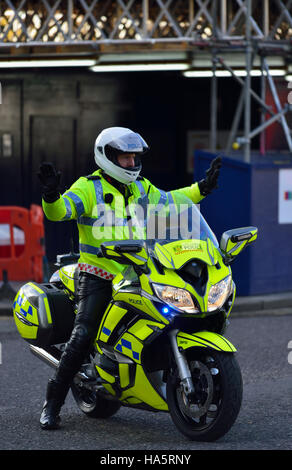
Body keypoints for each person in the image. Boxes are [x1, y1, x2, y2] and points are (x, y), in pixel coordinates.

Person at [37, 126, 222, 430]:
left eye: (134, 158)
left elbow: (170, 201)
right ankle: (52, 404)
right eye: (125, 158)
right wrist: (51, 194)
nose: (132, 164)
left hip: (135, 270)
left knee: (169, 313)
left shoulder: (140, 188)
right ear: (108, 157)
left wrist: (202, 188)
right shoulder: (88, 188)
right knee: (82, 334)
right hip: (97, 274)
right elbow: (60, 212)